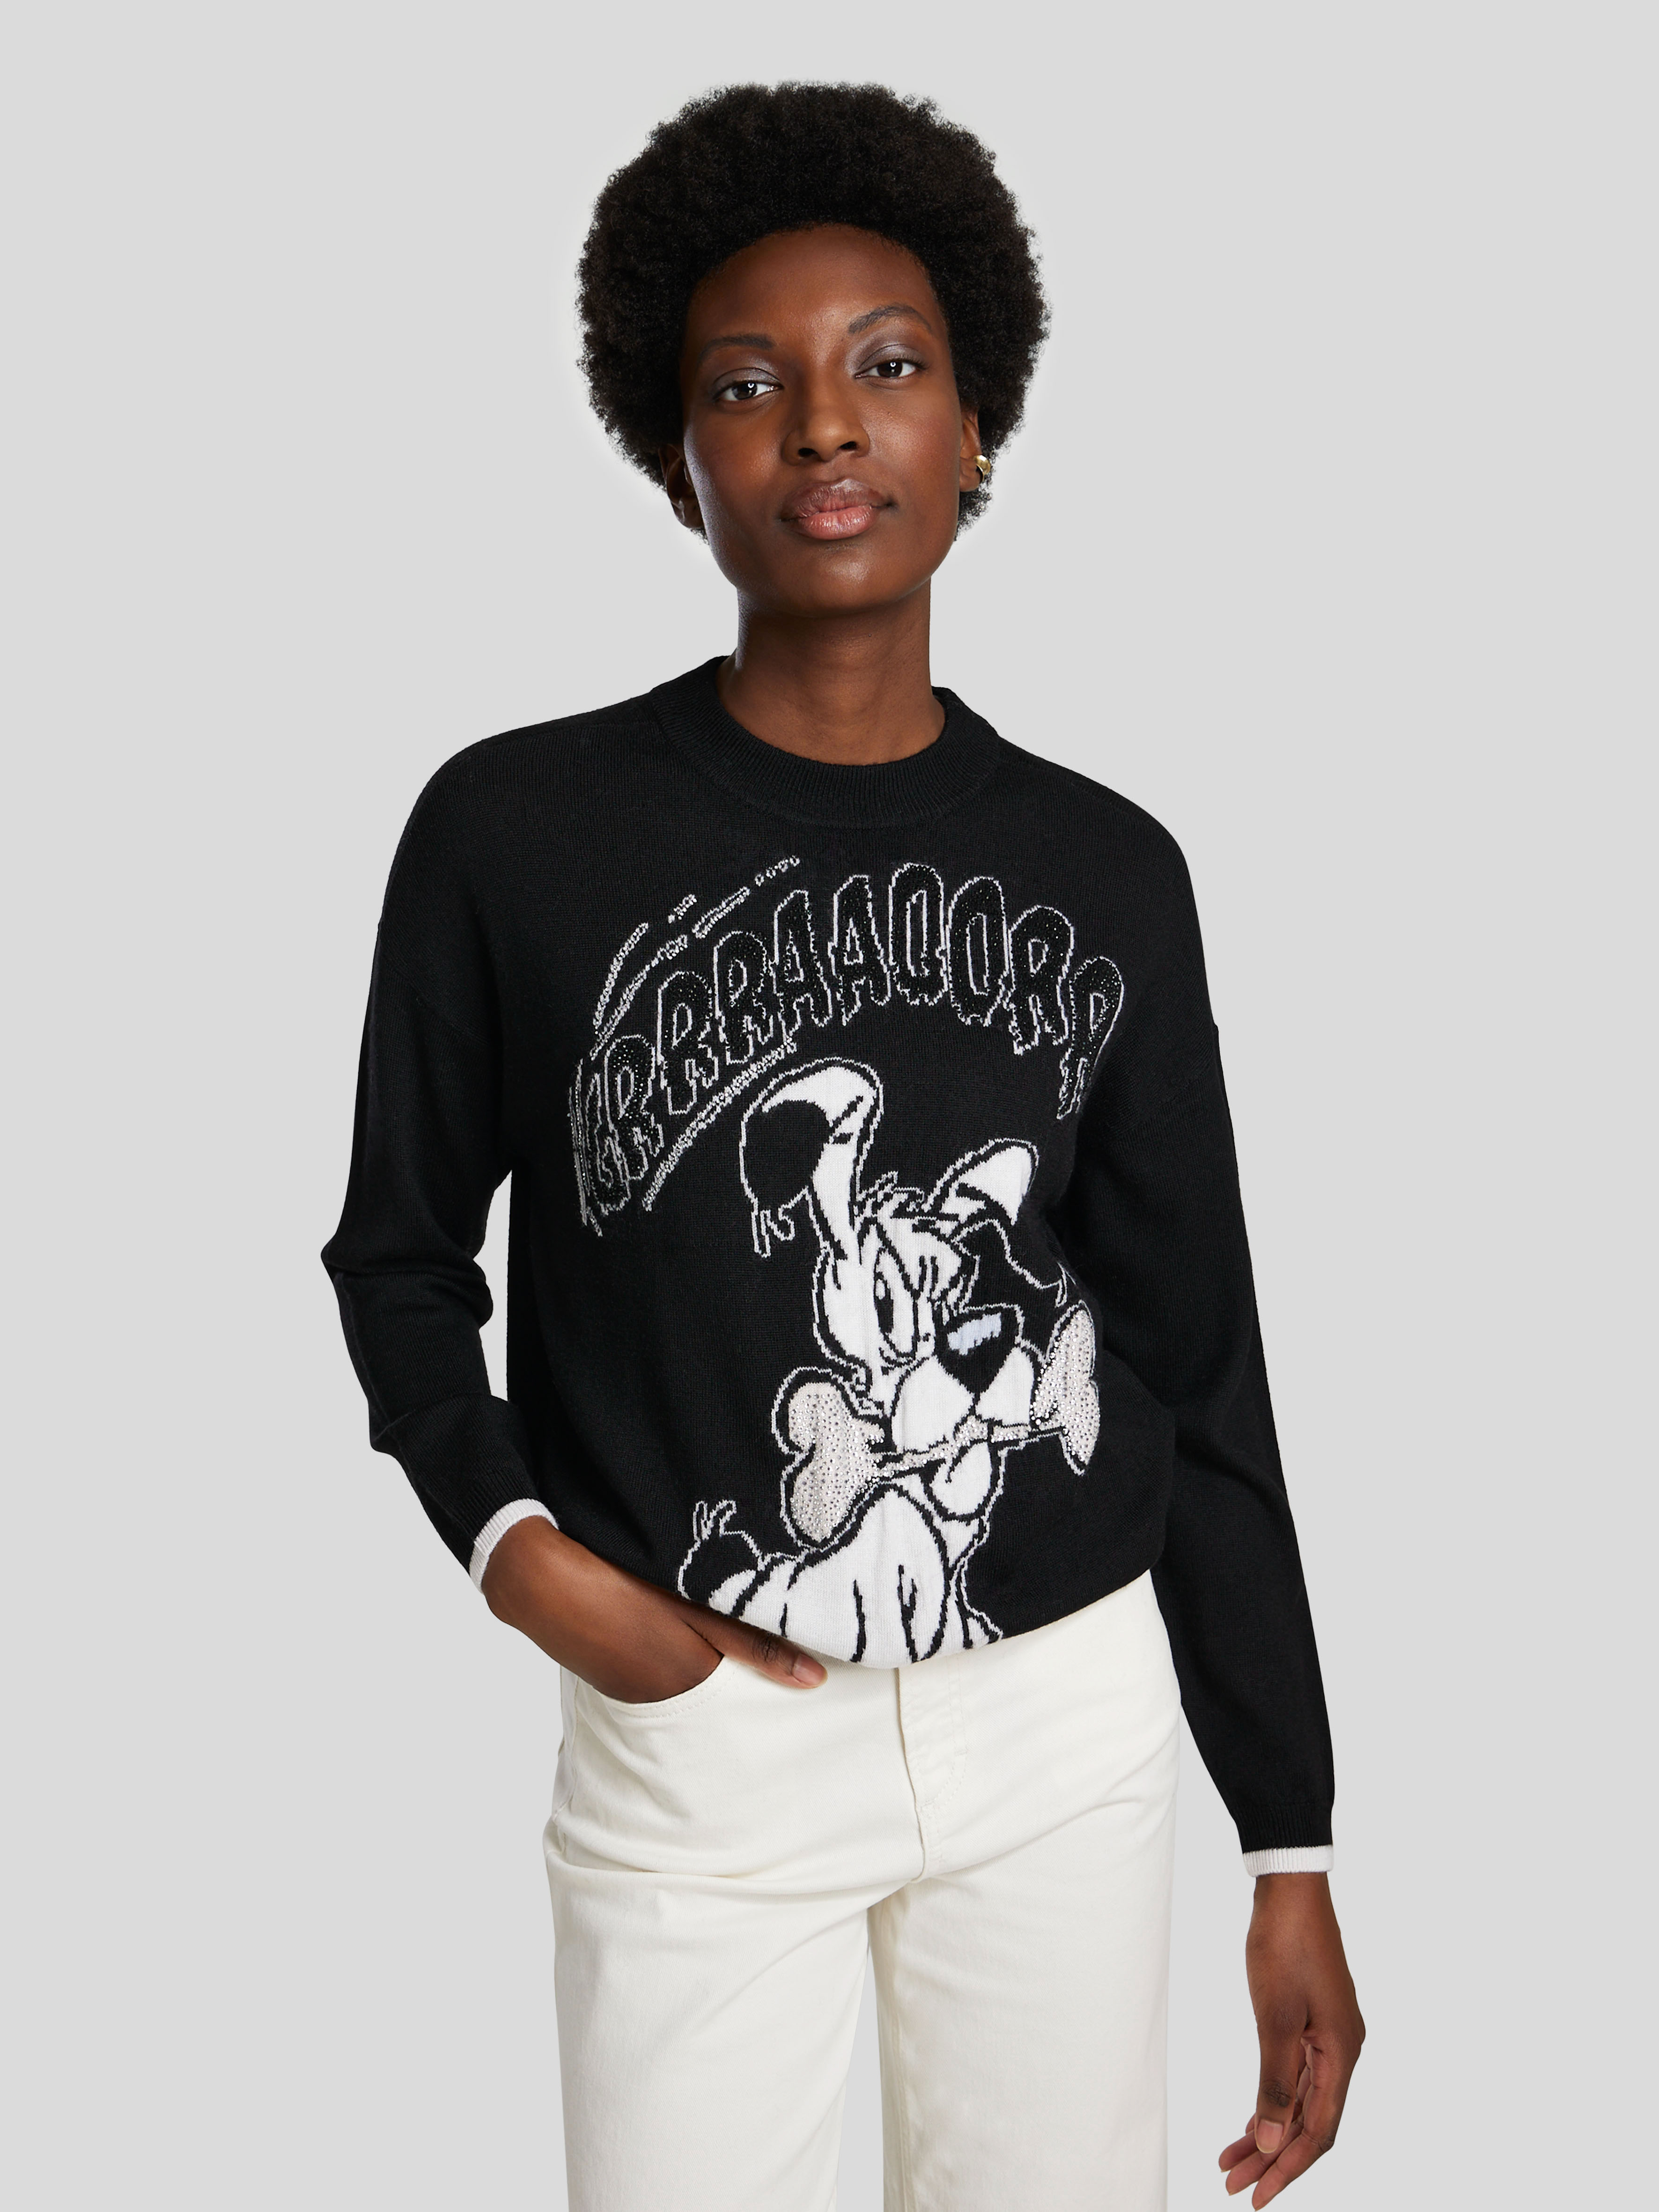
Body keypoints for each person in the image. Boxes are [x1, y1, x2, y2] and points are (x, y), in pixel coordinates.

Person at [323, 81, 1363, 2212]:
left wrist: (1291, 1835)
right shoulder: (513, 831)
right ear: (676, 457)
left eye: (887, 365)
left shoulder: (1109, 869)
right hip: (699, 1727)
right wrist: (524, 1558)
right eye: (747, 383)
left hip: (1060, 1722)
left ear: (976, 431)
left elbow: (1195, 1353)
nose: (822, 424)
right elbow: (401, 1256)